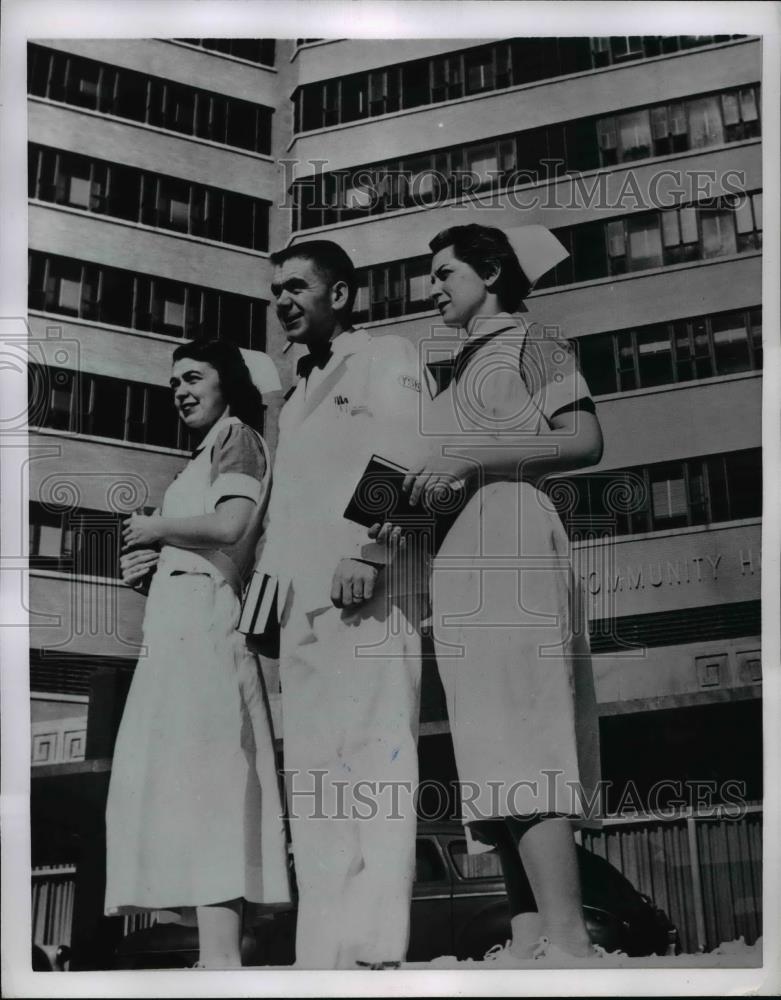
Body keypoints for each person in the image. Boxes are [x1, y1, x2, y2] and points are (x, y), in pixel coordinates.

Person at [379, 223, 605, 963]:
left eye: (445, 272)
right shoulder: (450, 374)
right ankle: (528, 933)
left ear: (492, 272)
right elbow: (422, 482)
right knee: (488, 747)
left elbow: (582, 441)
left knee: (524, 734)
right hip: (458, 555)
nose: (432, 287)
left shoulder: (536, 341)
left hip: (510, 534)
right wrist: (373, 532)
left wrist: (473, 459)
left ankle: (568, 938)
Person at [257, 240, 426, 969]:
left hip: (369, 591)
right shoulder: (295, 392)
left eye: (297, 287)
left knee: (375, 766)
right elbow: (283, 511)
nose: (284, 301)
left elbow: (409, 450)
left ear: (342, 294)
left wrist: (372, 551)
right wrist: (262, 612)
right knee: (317, 779)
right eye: (276, 292)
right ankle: (323, 951)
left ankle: (373, 948)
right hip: (300, 614)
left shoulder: (386, 355)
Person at [105, 340, 290, 969]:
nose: (180, 390)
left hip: (209, 627)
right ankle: (216, 953)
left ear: (226, 384)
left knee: (214, 782)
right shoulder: (200, 457)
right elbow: (201, 537)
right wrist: (154, 565)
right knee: (183, 783)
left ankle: (222, 959)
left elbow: (233, 525)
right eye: (174, 382)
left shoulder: (239, 438)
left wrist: (158, 530)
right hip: (177, 628)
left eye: (193, 377)